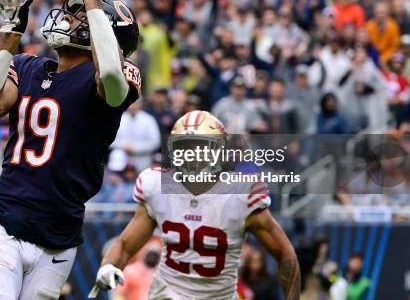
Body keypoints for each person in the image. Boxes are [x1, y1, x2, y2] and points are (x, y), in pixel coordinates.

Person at [0, 0, 141, 299]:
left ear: (102, 32)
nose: (66, 17)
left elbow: (110, 72)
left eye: (78, 14)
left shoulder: (112, 77)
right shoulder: (28, 66)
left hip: (59, 239)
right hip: (6, 220)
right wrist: (11, 35)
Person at [92, 110, 300, 299]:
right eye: (185, 148)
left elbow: (285, 254)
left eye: (201, 148)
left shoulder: (241, 194)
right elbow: (126, 245)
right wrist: (108, 266)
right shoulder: (156, 185)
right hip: (167, 294)